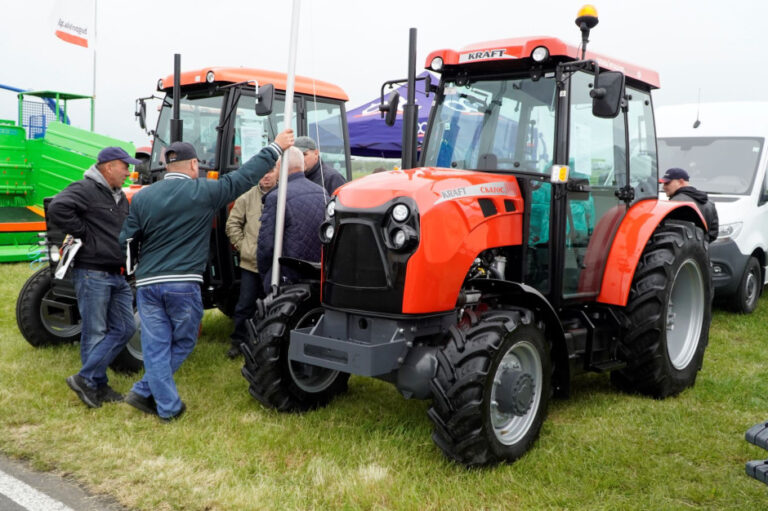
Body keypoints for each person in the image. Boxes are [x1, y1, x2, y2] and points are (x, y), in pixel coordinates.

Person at [119, 130, 293, 421]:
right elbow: (243, 178)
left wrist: (137, 271)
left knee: (156, 345)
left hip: (148, 284)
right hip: (182, 283)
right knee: (185, 341)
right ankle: (163, 403)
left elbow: (126, 240)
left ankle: (149, 393)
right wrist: (274, 147)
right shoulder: (202, 192)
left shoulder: (143, 197)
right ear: (192, 165)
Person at [48, 146, 140, 408]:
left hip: (116, 274)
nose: (128, 172)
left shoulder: (119, 196)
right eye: (125, 166)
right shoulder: (84, 189)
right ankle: (96, 385)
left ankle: (87, 378)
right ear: (109, 166)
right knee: (94, 331)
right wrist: (85, 234)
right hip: (92, 273)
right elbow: (58, 208)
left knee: (125, 327)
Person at [224, 163, 278, 358]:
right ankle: (238, 342)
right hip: (251, 264)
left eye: (270, 171)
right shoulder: (247, 197)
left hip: (275, 265)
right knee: (245, 305)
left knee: (272, 305)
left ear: (278, 171)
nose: (266, 176)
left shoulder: (285, 194)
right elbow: (232, 224)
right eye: (263, 172)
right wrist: (243, 247)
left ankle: (268, 344)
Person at [257, 146, 326, 294]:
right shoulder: (322, 192)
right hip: (318, 273)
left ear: (280, 166)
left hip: (288, 278)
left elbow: (266, 246)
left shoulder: (277, 197)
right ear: (302, 165)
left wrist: (267, 278)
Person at [660, 167, 719, 242]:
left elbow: (665, 233)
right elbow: (713, 234)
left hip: (678, 252)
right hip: (702, 251)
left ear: (681, 182)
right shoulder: (709, 203)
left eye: (667, 183)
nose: (663, 187)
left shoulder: (675, 203)